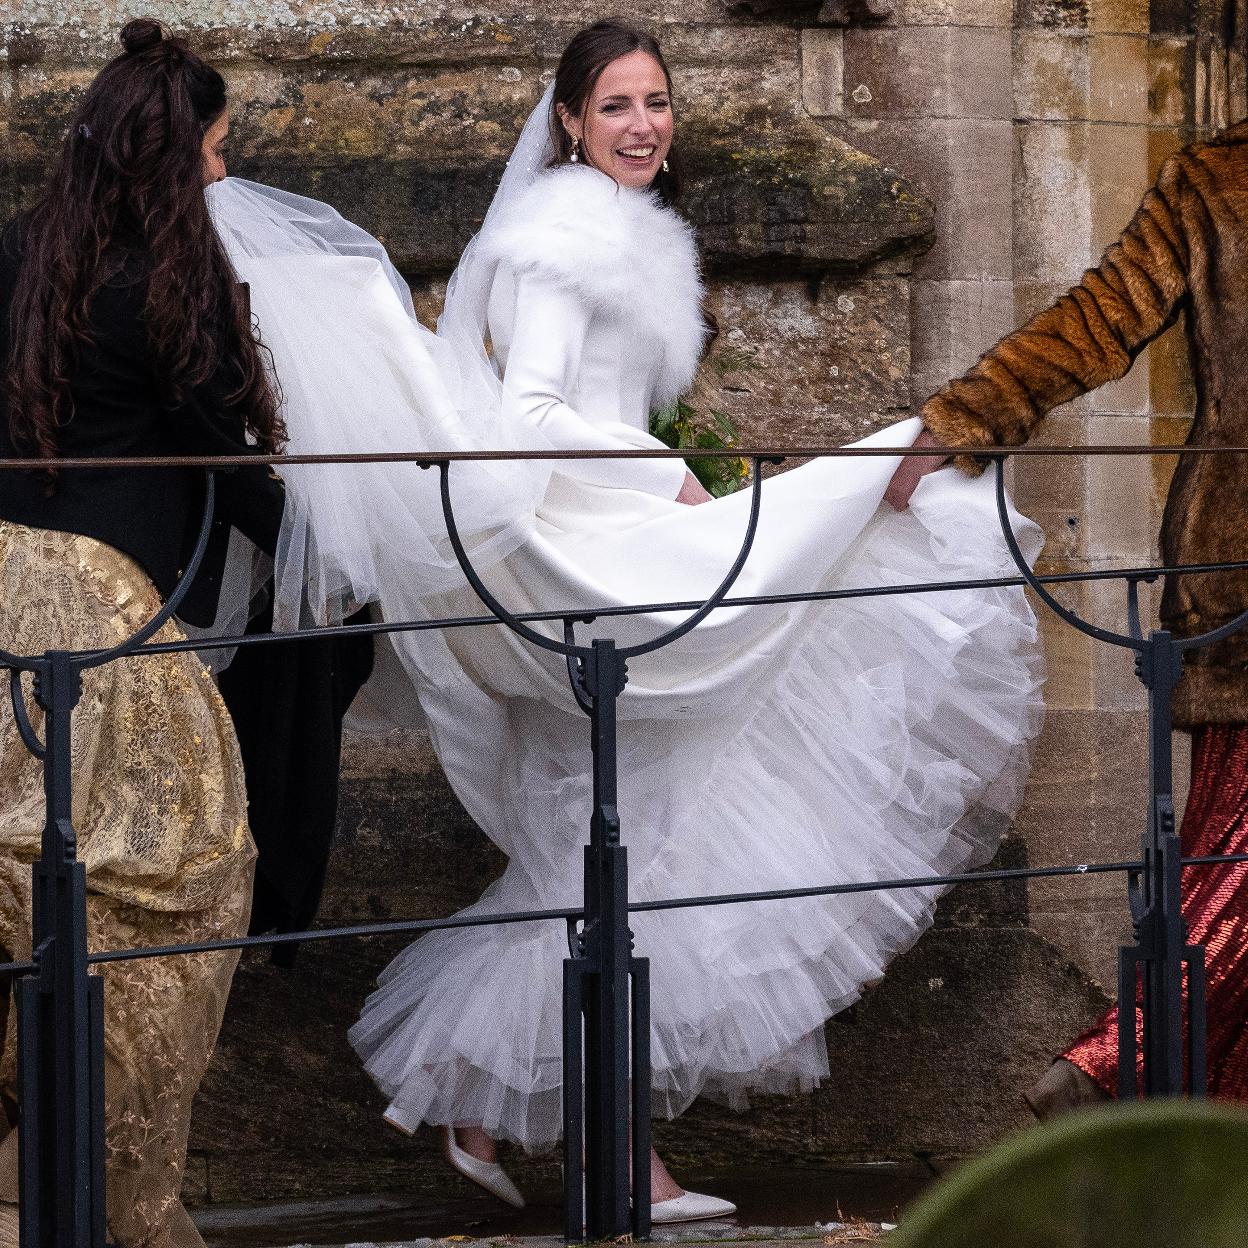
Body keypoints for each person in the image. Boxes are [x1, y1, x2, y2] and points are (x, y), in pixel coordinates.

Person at [207, 19, 1045, 1221]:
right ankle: (604, 1152)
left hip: (595, 551)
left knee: (605, 854)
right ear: (567, 123)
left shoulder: (613, 231)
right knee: (893, 488)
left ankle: (485, 1100)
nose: (643, 125)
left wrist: (660, 474)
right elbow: (535, 415)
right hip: (588, 563)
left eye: (657, 102)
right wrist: (673, 478)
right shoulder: (564, 243)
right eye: (615, 107)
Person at [886, 117, 1248, 1111]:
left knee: (1227, 868)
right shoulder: (1220, 181)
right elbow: (1101, 316)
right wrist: (964, 418)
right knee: (1235, 880)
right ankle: (1107, 1071)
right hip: (1243, 587)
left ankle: (1181, 1153)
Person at [0, 21, 287, 1248]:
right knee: (171, 890)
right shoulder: (172, 286)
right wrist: (344, 547)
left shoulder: (17, 253)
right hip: (107, 622)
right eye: (217, 153)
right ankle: (97, 1199)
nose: (225, 176)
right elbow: (244, 466)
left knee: (25, 881)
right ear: (173, 163)